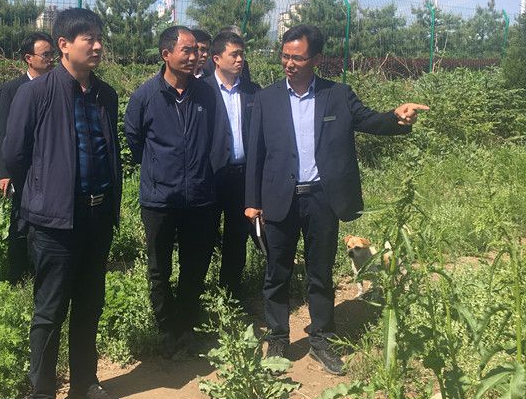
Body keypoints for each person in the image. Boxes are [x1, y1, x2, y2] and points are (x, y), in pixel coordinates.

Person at [244, 24, 429, 375]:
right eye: (285, 56)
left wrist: (397, 118)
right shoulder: (267, 98)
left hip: (321, 198)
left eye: (298, 58)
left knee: (320, 272)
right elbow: (256, 151)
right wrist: (252, 201)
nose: (289, 63)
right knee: (277, 272)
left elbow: (369, 120)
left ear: (316, 59)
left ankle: (322, 339)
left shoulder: (338, 95)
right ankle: (278, 338)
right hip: (279, 198)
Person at [2, 8, 125, 399]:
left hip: (97, 218)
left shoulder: (105, 95)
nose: (98, 45)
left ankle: (85, 382)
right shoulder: (36, 93)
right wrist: (43, 195)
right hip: (55, 223)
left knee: (89, 305)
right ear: (63, 45)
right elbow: (14, 155)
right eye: (89, 38)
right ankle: (41, 396)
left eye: (99, 37)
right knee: (49, 310)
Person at [124, 25, 218, 358]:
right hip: (159, 199)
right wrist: (160, 169)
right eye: (187, 50)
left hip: (199, 198)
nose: (195, 56)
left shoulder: (206, 94)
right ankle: (166, 328)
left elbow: (214, 136)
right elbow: (135, 139)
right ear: (166, 54)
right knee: (159, 268)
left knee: (195, 266)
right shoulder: (146, 96)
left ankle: (186, 327)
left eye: (197, 51)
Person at [203, 31, 259, 301]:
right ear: (216, 58)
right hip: (212, 177)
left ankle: (231, 294)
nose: (240, 60)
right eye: (234, 55)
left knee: (237, 237)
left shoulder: (252, 91)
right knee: (204, 236)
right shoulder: (202, 91)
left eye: (242, 54)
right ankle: (198, 293)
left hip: (242, 177)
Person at [0, 31, 55, 284]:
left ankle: (42, 269)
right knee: (20, 219)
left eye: (53, 54)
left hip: (49, 164)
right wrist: (5, 172)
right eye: (45, 54)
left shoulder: (57, 85)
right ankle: (18, 273)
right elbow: (3, 133)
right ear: (29, 58)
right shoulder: (12, 89)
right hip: (22, 165)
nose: (51, 59)